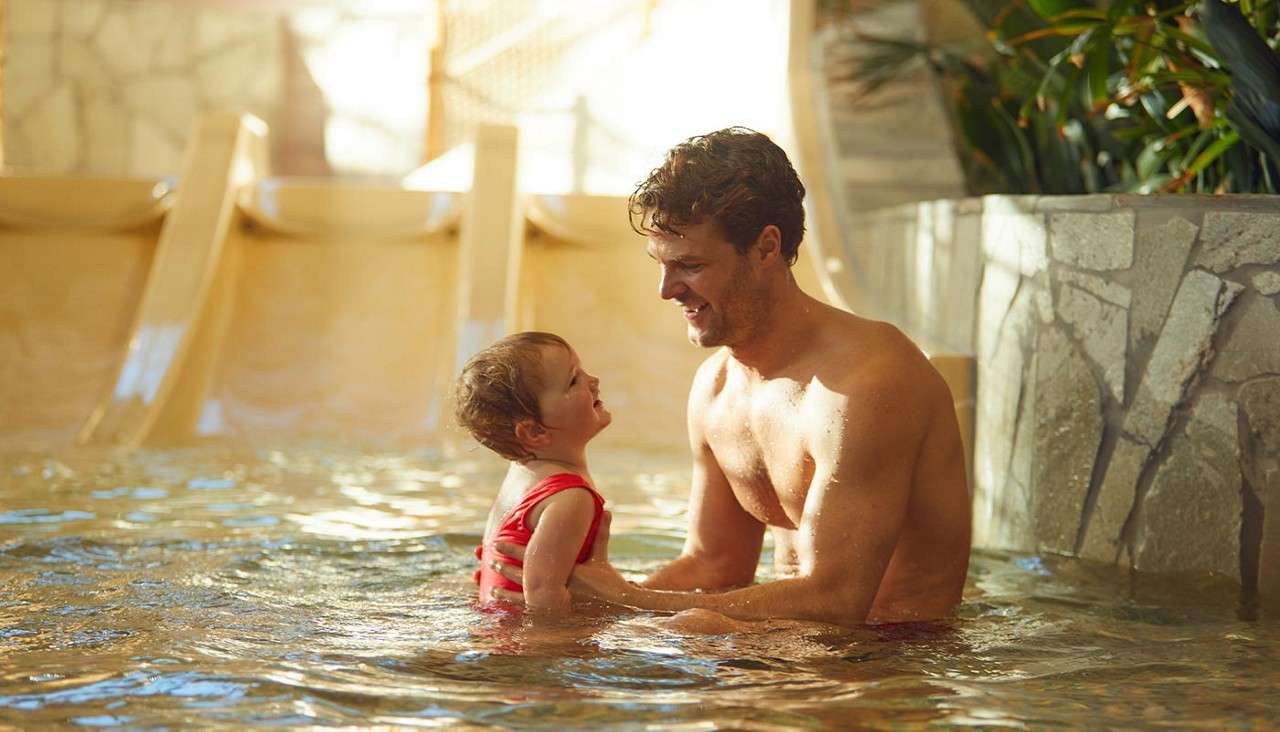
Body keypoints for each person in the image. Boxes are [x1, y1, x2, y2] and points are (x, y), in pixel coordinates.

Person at [488, 127, 972, 628]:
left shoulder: (866, 382)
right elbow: (714, 565)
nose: (666, 290)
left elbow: (839, 599)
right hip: (784, 654)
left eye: (690, 266)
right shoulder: (717, 386)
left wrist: (628, 601)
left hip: (892, 666)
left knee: (697, 627)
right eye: (661, 265)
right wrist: (571, 592)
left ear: (766, 248)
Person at [456, 331, 612, 614]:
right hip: (530, 646)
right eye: (574, 380)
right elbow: (543, 600)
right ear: (535, 431)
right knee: (694, 624)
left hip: (500, 631)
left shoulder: (522, 476)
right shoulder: (570, 498)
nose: (593, 381)